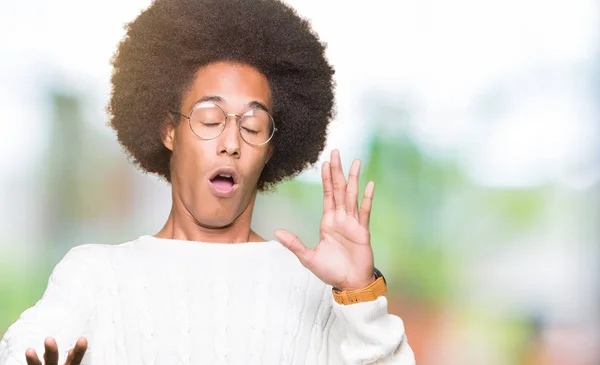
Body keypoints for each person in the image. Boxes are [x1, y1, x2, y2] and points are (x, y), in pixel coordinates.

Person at [0, 0, 415, 364]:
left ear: (269, 150)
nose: (231, 143)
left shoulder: (316, 288)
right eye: (211, 119)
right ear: (169, 131)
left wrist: (360, 294)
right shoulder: (95, 275)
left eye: (253, 126)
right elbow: (26, 349)